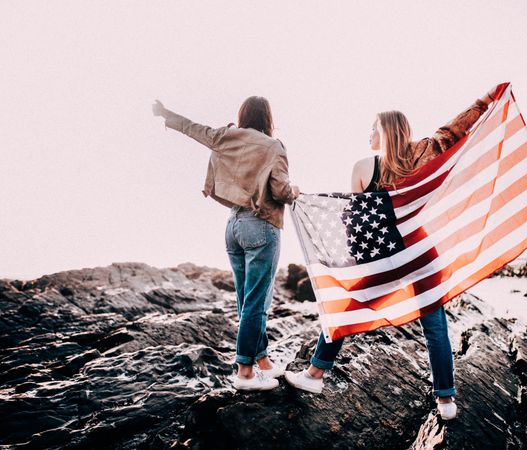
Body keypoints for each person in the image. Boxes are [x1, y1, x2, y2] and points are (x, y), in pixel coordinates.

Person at [284, 87, 499, 420]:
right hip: (421, 250)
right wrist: (486, 102)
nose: (368, 133)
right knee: (436, 327)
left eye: (372, 128)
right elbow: (454, 131)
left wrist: (358, 265)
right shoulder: (425, 154)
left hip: (386, 256)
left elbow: (357, 222)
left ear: (383, 132)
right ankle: (446, 401)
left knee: (344, 312)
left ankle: (315, 375)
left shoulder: (361, 167)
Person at [152, 96, 300, 391]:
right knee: (257, 303)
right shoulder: (274, 147)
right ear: (268, 119)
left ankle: (263, 362)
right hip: (261, 224)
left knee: (248, 301)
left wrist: (165, 113)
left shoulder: (226, 136)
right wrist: (294, 190)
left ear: (243, 115)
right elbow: (280, 190)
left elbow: (193, 128)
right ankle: (244, 372)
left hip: (233, 226)